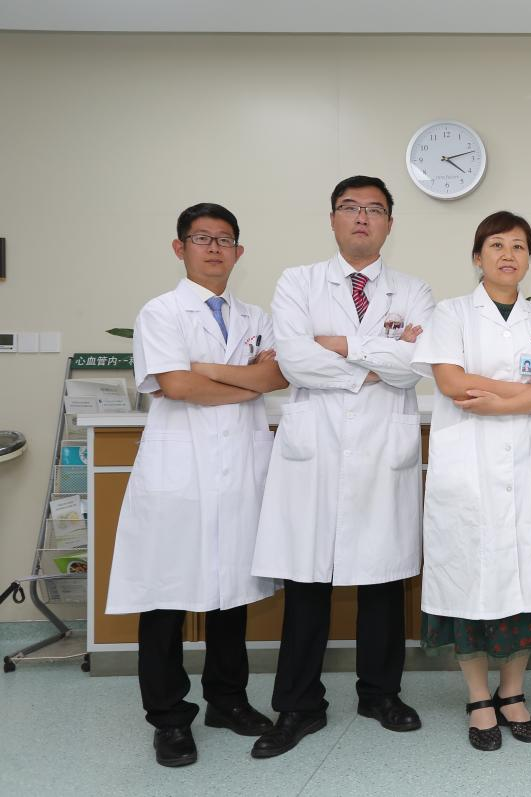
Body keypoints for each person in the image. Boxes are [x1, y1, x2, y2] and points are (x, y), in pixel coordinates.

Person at [249, 176, 434, 758]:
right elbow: (294, 360)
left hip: (383, 448)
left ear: (389, 224)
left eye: (374, 209)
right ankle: (298, 705)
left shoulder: (414, 289)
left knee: (383, 580)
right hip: (317, 449)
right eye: (350, 208)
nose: (362, 217)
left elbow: (416, 363)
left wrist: (340, 344)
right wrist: (376, 361)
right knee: (308, 582)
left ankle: (381, 694)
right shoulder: (297, 282)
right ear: (332, 219)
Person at [106, 203, 288, 767]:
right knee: (166, 595)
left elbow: (276, 375)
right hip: (179, 472)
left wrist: (204, 370)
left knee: (230, 592)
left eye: (224, 239)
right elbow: (176, 386)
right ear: (179, 247)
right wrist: (244, 383)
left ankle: (227, 701)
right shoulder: (160, 312)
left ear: (239, 251)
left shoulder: (256, 315)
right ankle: (168, 718)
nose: (213, 248)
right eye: (201, 238)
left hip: (238, 469)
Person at [410, 211, 531, 751]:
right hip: (469, 471)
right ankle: (479, 698)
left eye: (519, 246)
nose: (508, 254)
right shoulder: (451, 313)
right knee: (469, 581)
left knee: (527, 581)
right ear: (477, 256)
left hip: (526, 469)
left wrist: (502, 400)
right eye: (497, 245)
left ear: (529, 258)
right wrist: (526, 397)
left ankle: (513, 692)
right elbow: (452, 382)